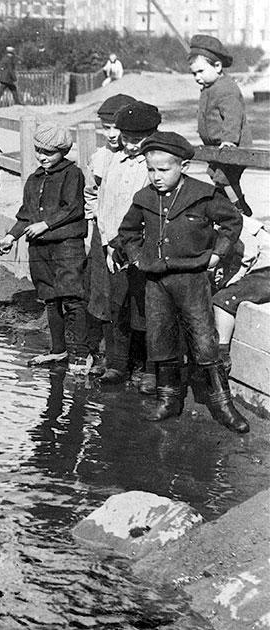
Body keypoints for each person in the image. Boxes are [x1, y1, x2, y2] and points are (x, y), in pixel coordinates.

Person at [112, 132, 248, 433]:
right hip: (157, 281)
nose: (156, 176)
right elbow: (128, 231)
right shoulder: (144, 198)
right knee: (160, 339)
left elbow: (232, 222)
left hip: (191, 278)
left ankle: (222, 404)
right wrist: (136, 258)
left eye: (163, 170)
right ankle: (169, 399)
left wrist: (217, 256)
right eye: (150, 169)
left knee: (203, 339)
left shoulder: (202, 195)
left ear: (183, 166)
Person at [0, 124, 89, 370]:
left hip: (67, 245)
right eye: (38, 150)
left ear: (63, 151)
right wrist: (10, 237)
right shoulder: (34, 179)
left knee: (72, 297)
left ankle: (80, 354)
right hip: (39, 248)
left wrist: (45, 224)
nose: (42, 156)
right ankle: (58, 350)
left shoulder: (72, 174)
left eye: (49, 152)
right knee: (50, 297)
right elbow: (25, 215)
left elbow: (73, 208)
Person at [90, 101, 161, 392]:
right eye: (127, 140)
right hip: (115, 246)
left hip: (142, 247)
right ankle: (117, 364)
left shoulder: (154, 168)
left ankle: (148, 368)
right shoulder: (114, 164)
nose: (131, 146)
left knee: (145, 307)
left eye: (138, 140)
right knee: (116, 303)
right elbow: (104, 206)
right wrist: (108, 244)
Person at [81, 93, 138, 375]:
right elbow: (91, 193)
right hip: (104, 231)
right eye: (107, 128)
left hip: (131, 234)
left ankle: (135, 359)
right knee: (102, 292)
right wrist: (96, 225)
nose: (113, 134)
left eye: (118, 128)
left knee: (131, 293)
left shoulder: (141, 157)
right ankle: (105, 353)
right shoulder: (102, 157)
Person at [188, 34, 252, 216]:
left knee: (223, 178)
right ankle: (234, 204)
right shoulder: (209, 87)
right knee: (215, 174)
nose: (197, 77)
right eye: (194, 73)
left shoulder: (226, 88)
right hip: (217, 147)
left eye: (200, 71)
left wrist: (230, 140)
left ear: (217, 66)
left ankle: (239, 210)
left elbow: (233, 115)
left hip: (233, 146)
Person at [212, 213, 270, 374]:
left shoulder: (233, 222)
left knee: (223, 299)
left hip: (266, 270)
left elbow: (248, 255)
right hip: (261, 267)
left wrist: (231, 281)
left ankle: (222, 354)